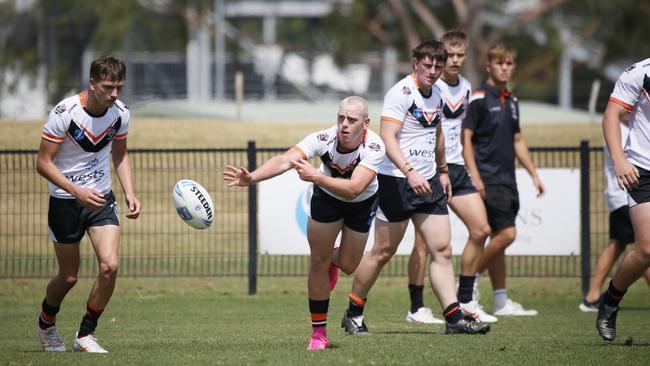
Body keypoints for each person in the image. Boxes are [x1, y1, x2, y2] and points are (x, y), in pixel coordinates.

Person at [340, 39, 490, 336]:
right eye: (428, 65)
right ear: (415, 63)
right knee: (383, 251)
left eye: (438, 65)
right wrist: (409, 172)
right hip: (397, 182)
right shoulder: (400, 93)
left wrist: (443, 170)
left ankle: (454, 319)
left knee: (442, 250)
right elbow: (388, 137)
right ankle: (353, 314)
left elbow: (437, 135)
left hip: (430, 181)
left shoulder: (436, 94)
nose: (433, 71)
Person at [223, 96, 385, 350]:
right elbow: (286, 159)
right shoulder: (323, 138)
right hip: (327, 200)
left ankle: (333, 260)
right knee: (317, 261)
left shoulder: (374, 146)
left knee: (349, 265)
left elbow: (354, 189)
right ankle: (318, 334)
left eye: (351, 120)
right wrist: (252, 177)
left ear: (365, 123)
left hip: (360, 203)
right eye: (341, 117)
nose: (344, 124)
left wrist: (316, 177)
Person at [36, 56, 140, 353]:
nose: (115, 94)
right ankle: (46, 322)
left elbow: (120, 155)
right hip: (66, 202)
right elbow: (43, 163)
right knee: (68, 277)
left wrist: (130, 192)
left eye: (119, 87)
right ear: (92, 83)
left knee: (110, 266)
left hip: (102, 200)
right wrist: (76, 191)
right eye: (109, 87)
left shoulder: (120, 114)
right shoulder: (64, 114)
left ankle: (85, 333)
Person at [405, 31, 496, 325]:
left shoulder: (467, 88)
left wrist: (472, 171)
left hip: (456, 169)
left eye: (460, 55)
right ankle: (416, 307)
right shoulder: (429, 84)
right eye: (450, 55)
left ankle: (466, 298)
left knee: (481, 229)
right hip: (430, 170)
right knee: (423, 243)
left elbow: (463, 135)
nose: (454, 61)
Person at [462, 42, 545, 316]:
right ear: (489, 65)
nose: (504, 67)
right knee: (507, 234)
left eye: (509, 63)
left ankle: (500, 301)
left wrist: (534, 174)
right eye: (499, 62)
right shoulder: (478, 97)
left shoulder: (512, 100)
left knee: (499, 238)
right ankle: (467, 285)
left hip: (508, 179)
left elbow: (517, 139)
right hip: (488, 178)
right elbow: (467, 139)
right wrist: (475, 175)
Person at [597, 58, 650, 341]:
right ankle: (611, 300)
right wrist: (619, 160)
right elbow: (611, 115)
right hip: (644, 171)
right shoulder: (640, 73)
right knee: (647, 250)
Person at [580, 121, 650, 312]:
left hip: (620, 196)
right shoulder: (620, 128)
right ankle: (594, 296)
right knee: (644, 249)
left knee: (617, 244)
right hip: (625, 196)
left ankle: (592, 296)